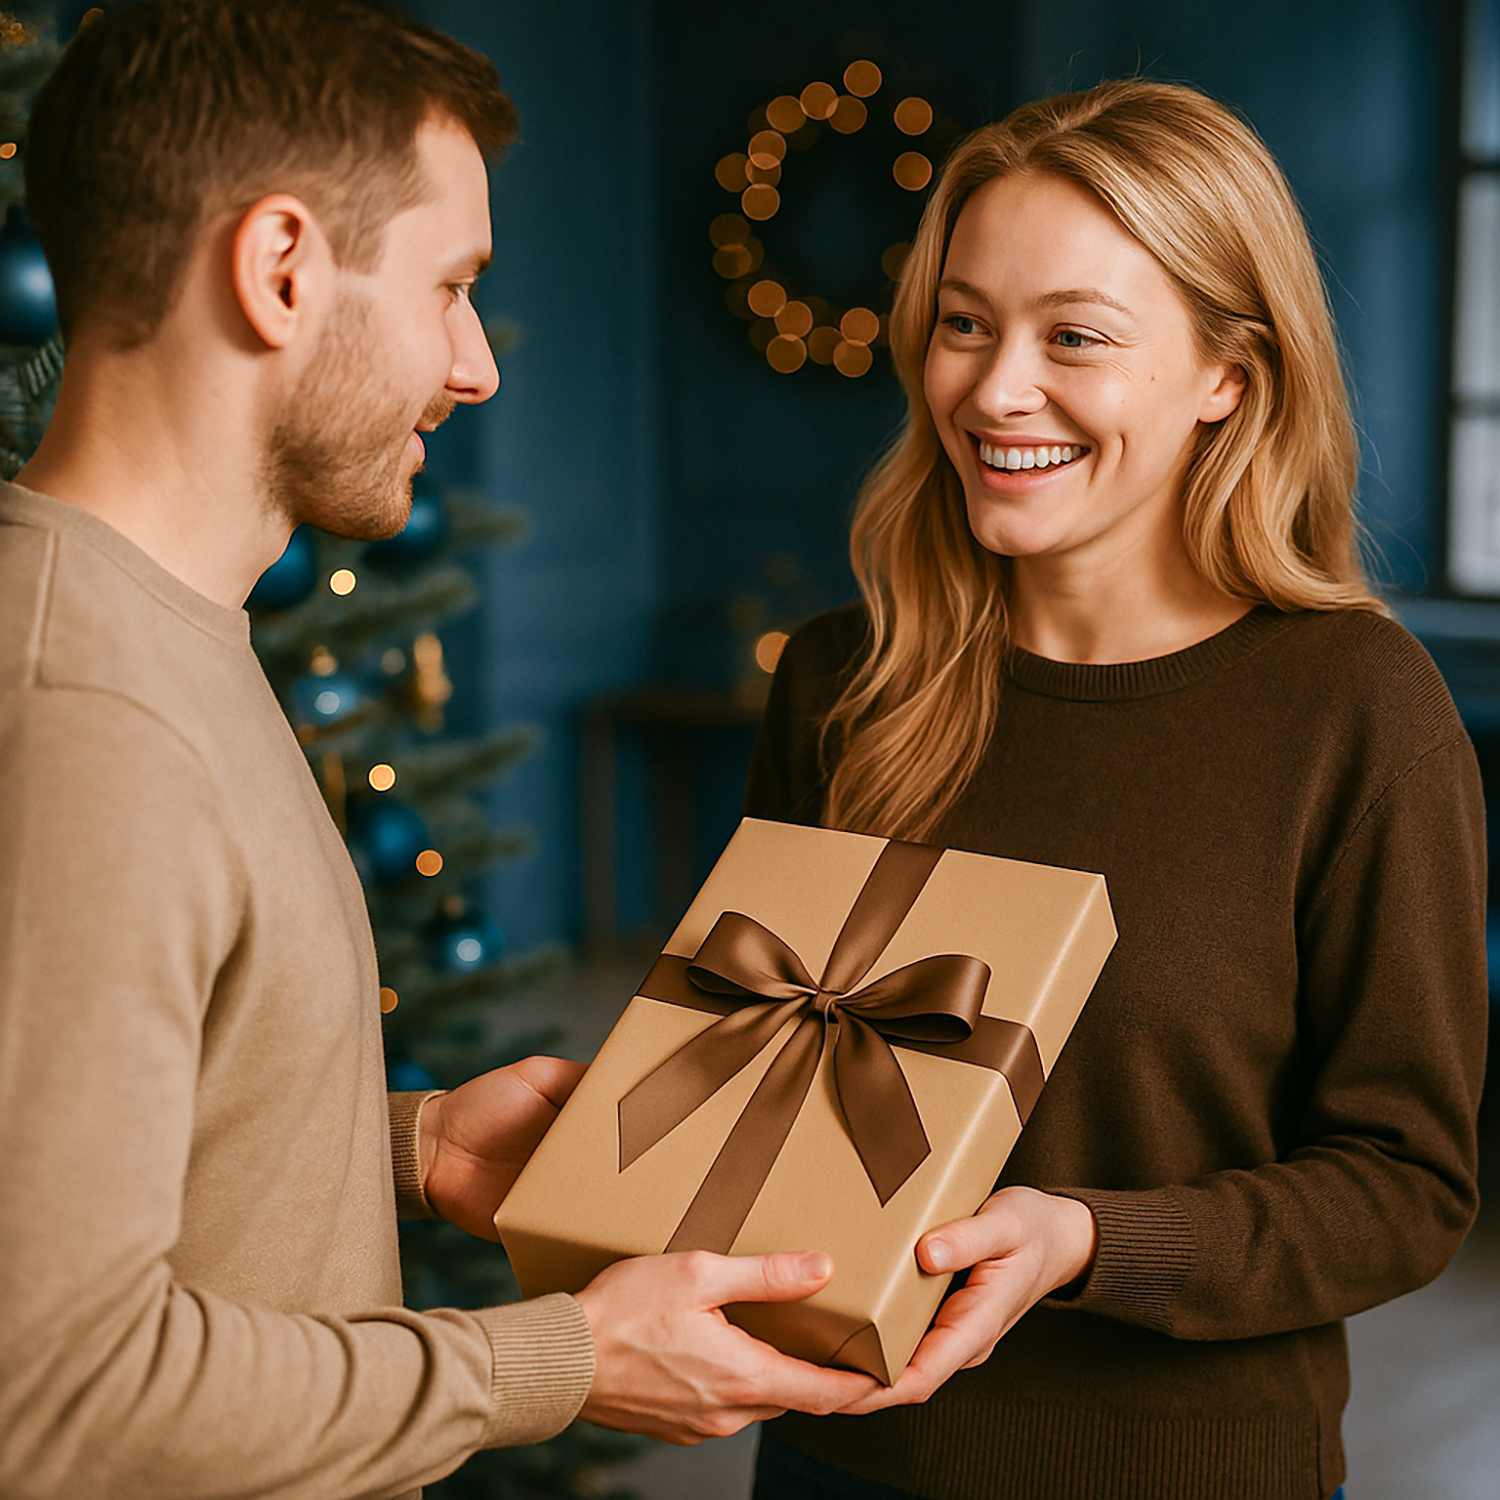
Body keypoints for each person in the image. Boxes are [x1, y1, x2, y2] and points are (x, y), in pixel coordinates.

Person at [0, 3, 878, 1497]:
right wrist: (562, 1359)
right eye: (452, 285)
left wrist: (400, 1147)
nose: (477, 365)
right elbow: (55, 1394)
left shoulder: (160, 633)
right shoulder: (87, 719)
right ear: (280, 269)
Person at [744, 79, 1487, 1500]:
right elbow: (761, 1076)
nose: (993, 389)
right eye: (965, 323)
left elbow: (1406, 1185)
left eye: (1073, 335)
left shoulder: (1356, 711)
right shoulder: (845, 677)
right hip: (841, 1454)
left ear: (1230, 377)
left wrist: (1090, 1241)